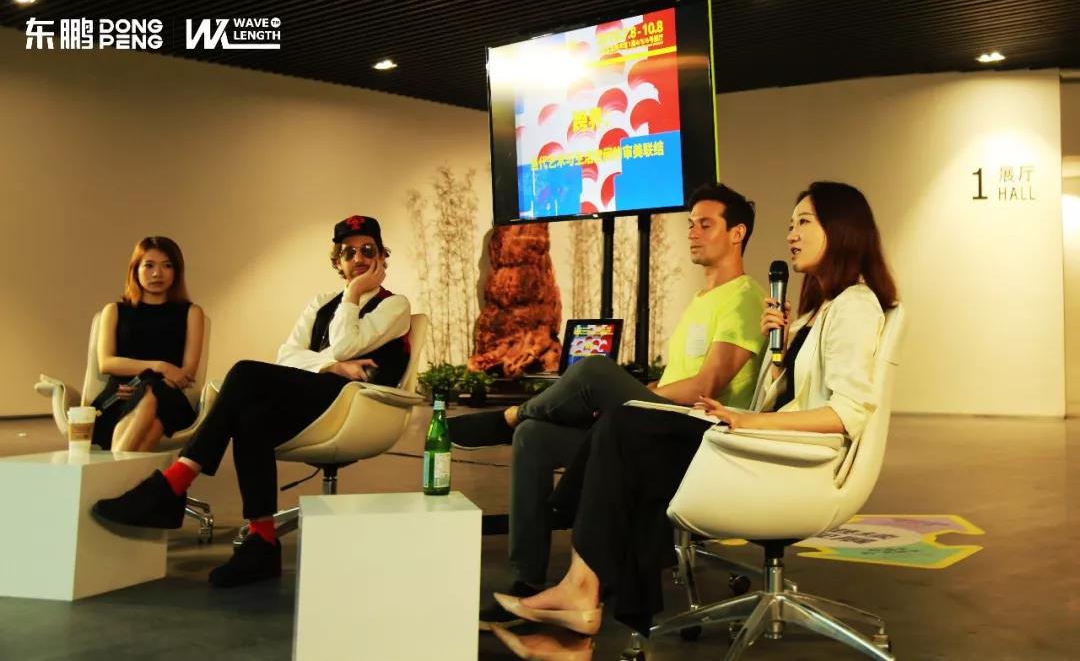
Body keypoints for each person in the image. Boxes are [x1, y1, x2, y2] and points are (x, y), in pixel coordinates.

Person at [489, 181, 899, 656]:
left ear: (843, 229)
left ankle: (581, 591)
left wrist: (746, 423)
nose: (791, 234)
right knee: (623, 430)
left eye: (804, 222)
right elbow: (787, 398)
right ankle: (580, 599)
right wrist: (779, 356)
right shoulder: (818, 311)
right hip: (766, 442)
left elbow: (847, 413)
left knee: (622, 421)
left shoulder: (854, 306)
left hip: (795, 461)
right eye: (791, 224)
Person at [455, 183, 768, 629]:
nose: (692, 233)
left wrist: (631, 396)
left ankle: (507, 417)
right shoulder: (702, 299)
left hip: (695, 435)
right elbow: (676, 379)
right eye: (690, 224)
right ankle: (527, 580)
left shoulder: (744, 297)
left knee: (594, 371)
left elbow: (706, 385)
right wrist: (634, 396)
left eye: (705, 224)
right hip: (662, 424)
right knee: (534, 438)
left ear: (737, 234)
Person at [93, 215, 411, 588]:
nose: (358, 258)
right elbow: (287, 355)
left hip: (357, 404)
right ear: (338, 262)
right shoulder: (321, 303)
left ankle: (174, 483)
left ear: (382, 257)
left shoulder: (395, 306)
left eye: (368, 250)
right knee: (250, 416)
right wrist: (333, 366)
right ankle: (263, 541)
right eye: (348, 253)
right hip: (317, 398)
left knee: (245, 372)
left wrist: (354, 295)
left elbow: (344, 343)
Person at [91, 236, 204, 452]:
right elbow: (106, 363)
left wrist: (147, 384)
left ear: (177, 271)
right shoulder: (114, 310)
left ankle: (115, 467)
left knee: (151, 392)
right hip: (121, 393)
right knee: (153, 422)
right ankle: (127, 472)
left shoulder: (192, 313)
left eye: (167, 266)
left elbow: (186, 373)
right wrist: (159, 367)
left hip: (167, 392)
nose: (157, 273)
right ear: (135, 270)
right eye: (149, 265)